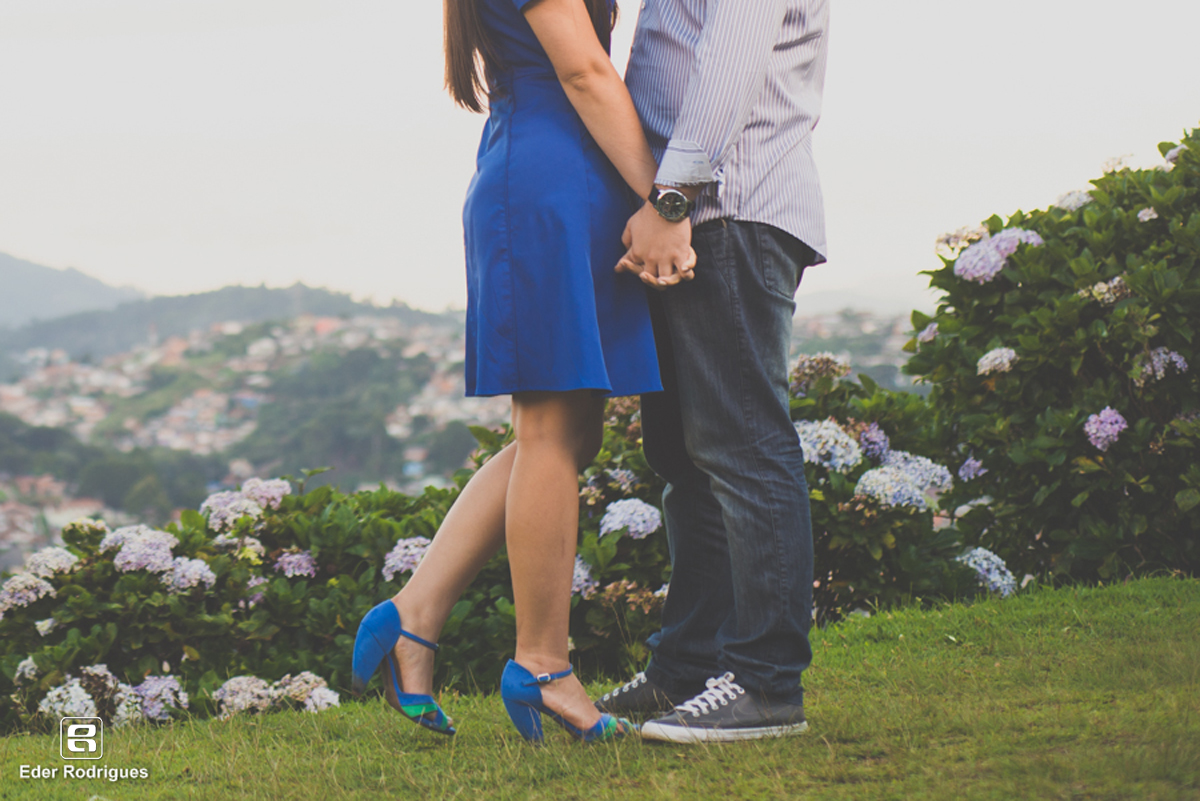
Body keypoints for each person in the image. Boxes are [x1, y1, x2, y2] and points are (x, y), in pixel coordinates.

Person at [351, 0, 694, 743]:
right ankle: (542, 663)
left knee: (567, 434)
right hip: (551, 181)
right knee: (548, 434)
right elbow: (584, 68)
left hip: (557, 173)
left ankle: (415, 613)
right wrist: (663, 198)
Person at [596, 0, 831, 743]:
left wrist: (673, 198)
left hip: (724, 210)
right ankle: (688, 667)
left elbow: (729, 58)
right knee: (684, 459)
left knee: (743, 447)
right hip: (696, 214)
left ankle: (765, 683)